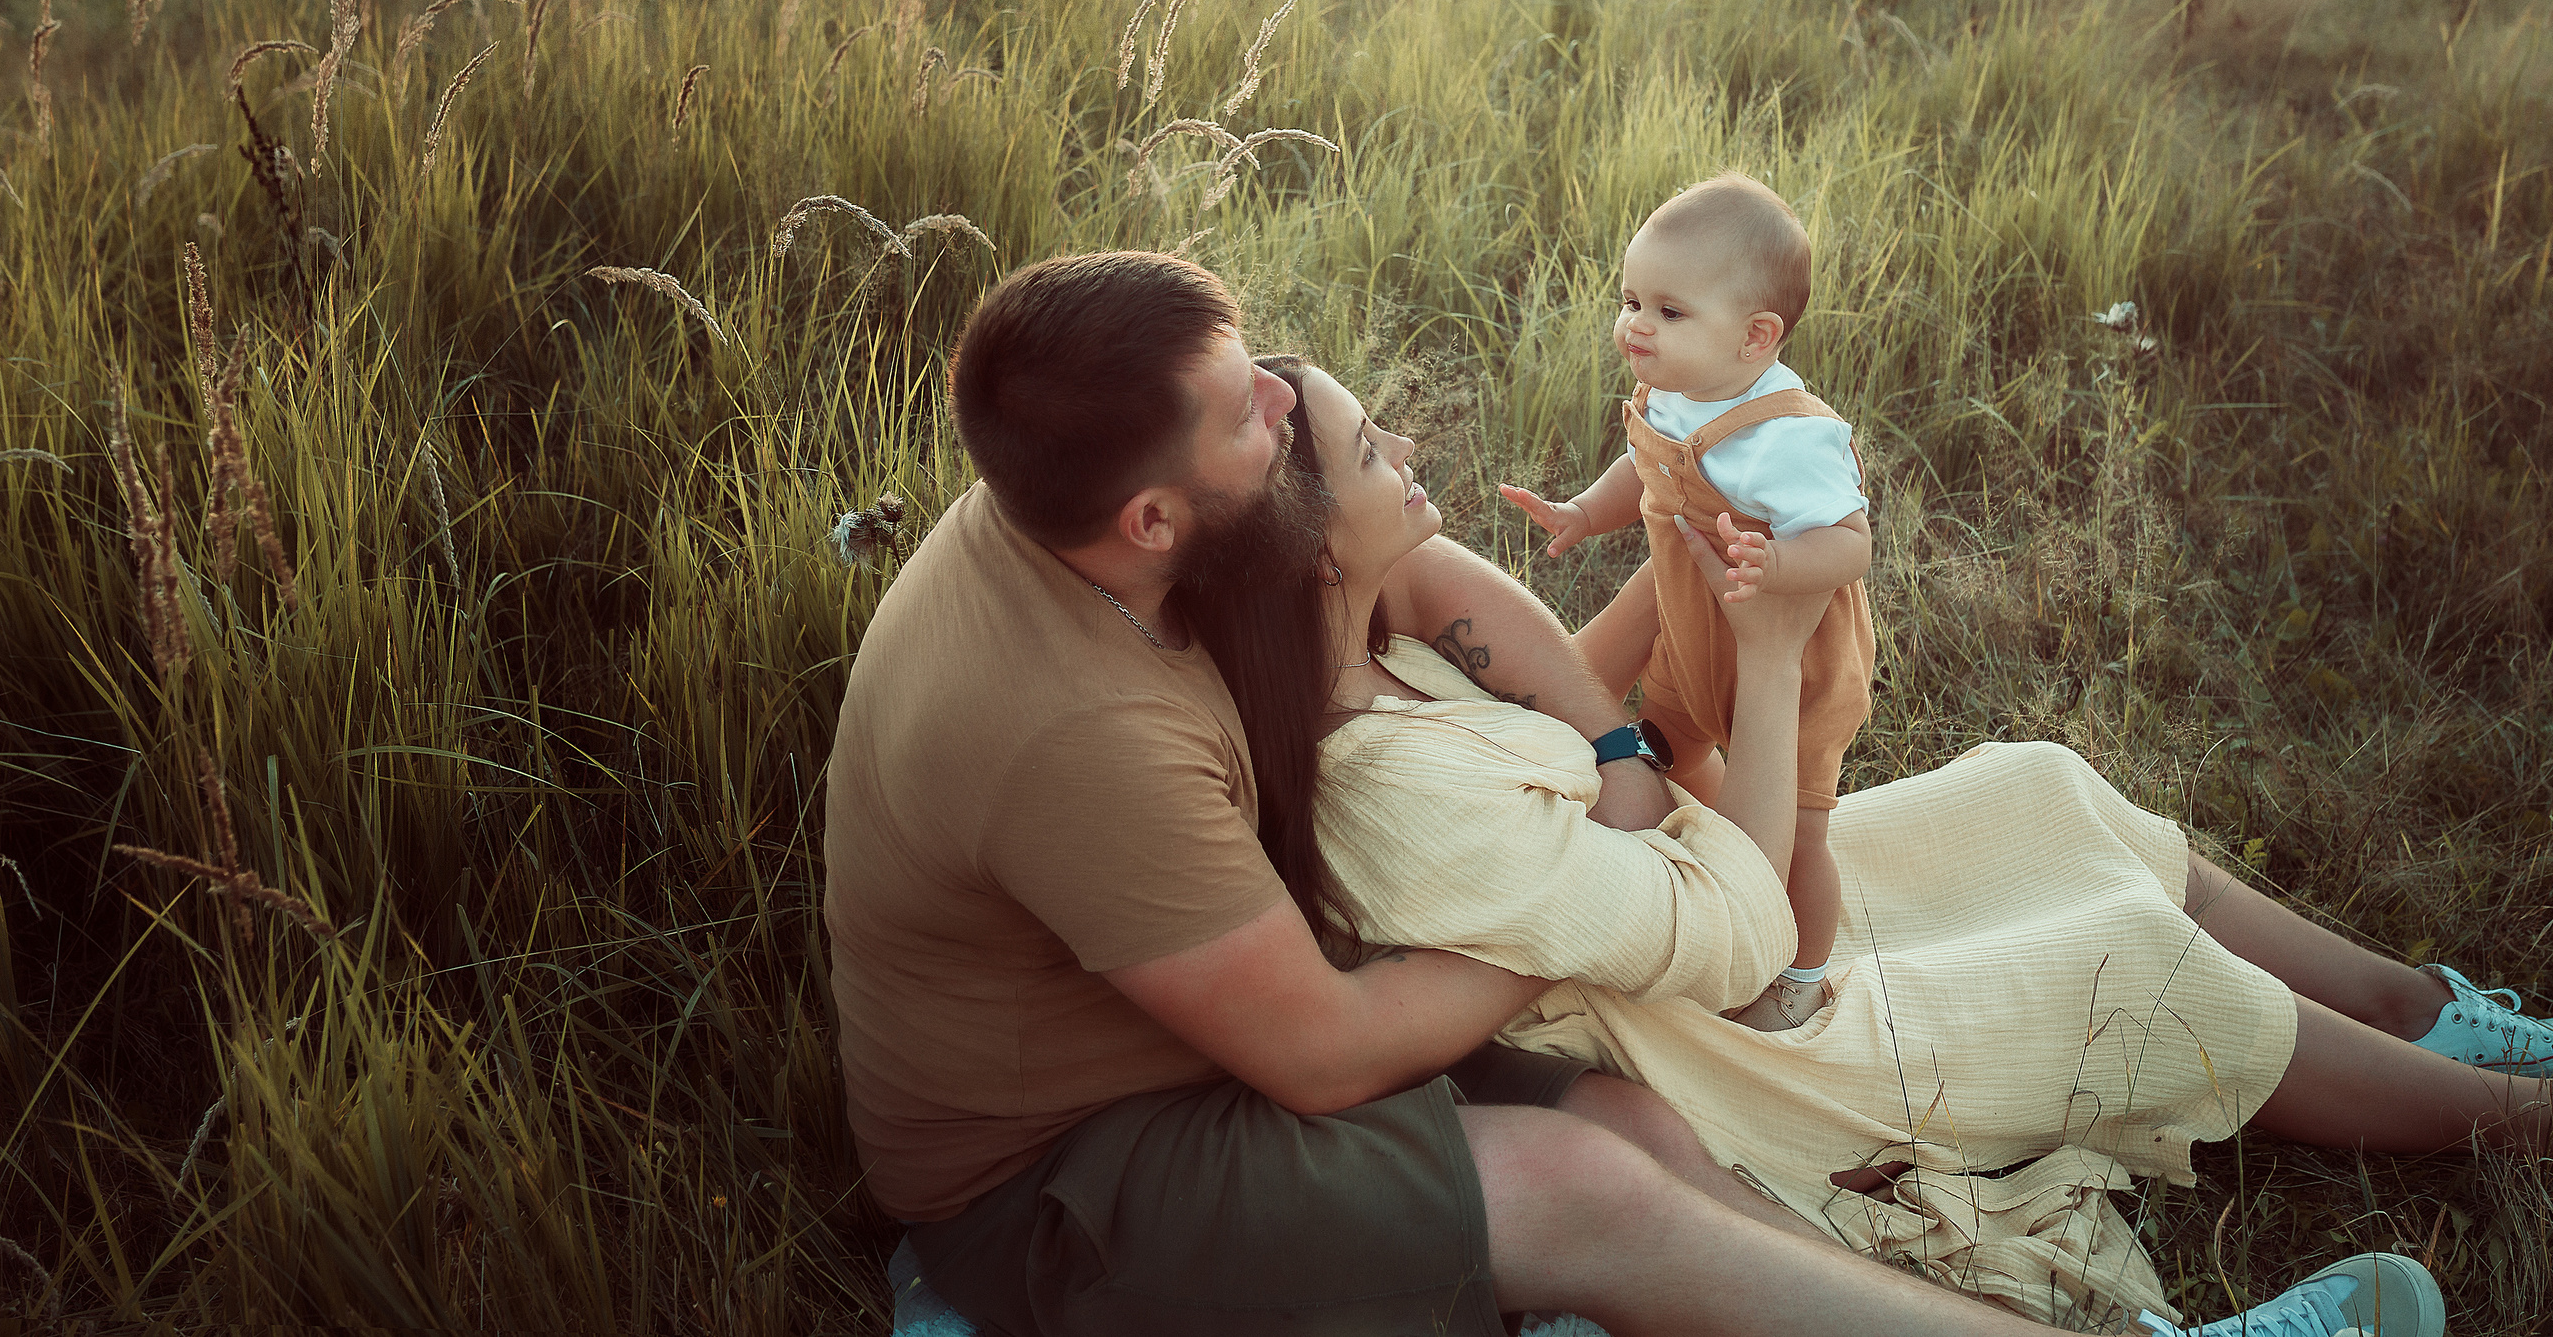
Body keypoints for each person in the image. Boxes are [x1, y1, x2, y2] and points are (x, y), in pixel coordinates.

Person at [821, 250, 2455, 1337]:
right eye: (1250, 414)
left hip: (1254, 1005)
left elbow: (1420, 568)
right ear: (1155, 520)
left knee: (1637, 1119)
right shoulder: (1072, 727)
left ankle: (2425, 1031)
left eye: (1260, 370)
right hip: (1065, 1165)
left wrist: (1607, 747)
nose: (1285, 401)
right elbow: (1319, 1052)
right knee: (1582, 1180)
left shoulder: (1126, 493)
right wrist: (1573, 914)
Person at [1183, 354, 2553, 1334]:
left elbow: (1591, 738)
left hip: (1675, 895)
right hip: (1715, 1028)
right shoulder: (1384, 794)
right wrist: (1766, 662)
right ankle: (2512, 1120)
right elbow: (1745, 938)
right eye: (1376, 454)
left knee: (2036, 788)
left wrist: (1674, 582)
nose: (1406, 454)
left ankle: (2430, 1014)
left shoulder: (1381, 643)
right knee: (2117, 958)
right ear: (1310, 554)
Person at [1501, 174, 1873, 1032]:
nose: (1636, 324)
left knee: (1807, 832)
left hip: (1792, 654)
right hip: (1694, 630)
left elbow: (1853, 542)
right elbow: (1647, 461)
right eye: (1632, 299)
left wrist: (1778, 562)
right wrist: (1585, 514)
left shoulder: (1788, 437)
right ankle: (1713, 843)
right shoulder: (1680, 389)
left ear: (1755, 337)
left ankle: (1802, 977)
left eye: (1669, 311)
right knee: (1668, 746)